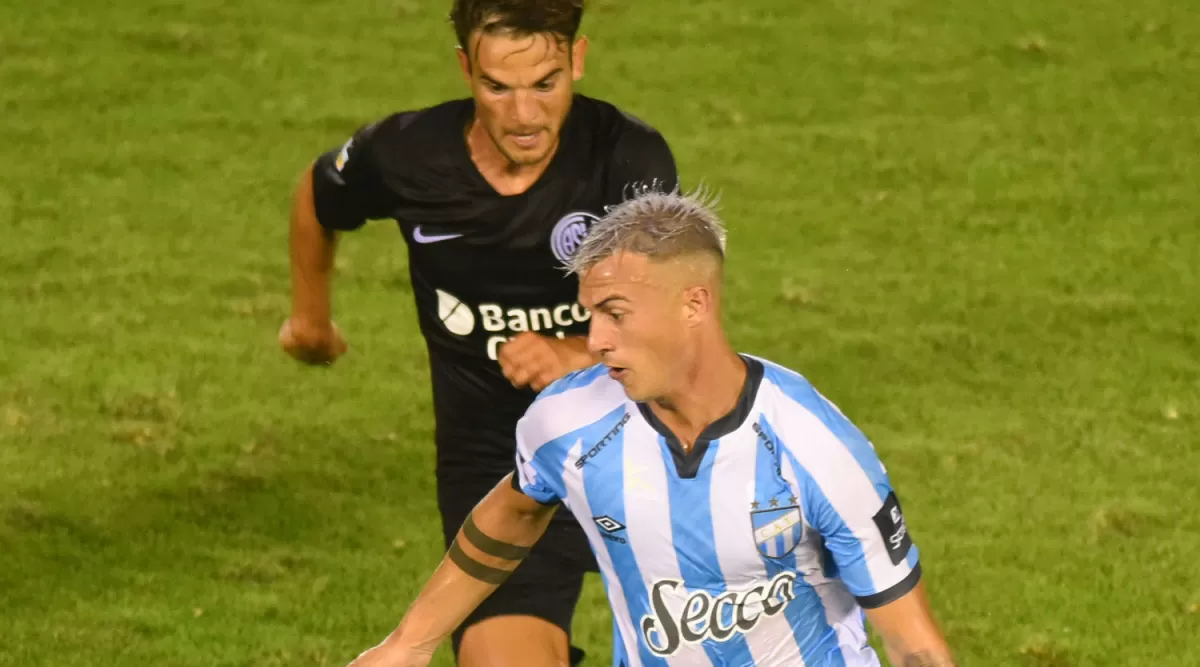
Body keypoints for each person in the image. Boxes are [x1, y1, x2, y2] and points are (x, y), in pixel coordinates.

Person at [341, 189, 957, 667]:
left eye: (615, 315)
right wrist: (409, 643)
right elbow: (515, 511)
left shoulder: (815, 446)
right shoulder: (566, 424)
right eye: (590, 315)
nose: (596, 341)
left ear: (694, 304)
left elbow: (913, 644)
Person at [278, 1, 679, 665]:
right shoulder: (409, 156)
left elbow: (671, 316)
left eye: (545, 83)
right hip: (498, 455)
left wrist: (576, 352)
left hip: (638, 440)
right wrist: (310, 318)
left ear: (577, 61)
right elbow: (317, 198)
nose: (524, 116)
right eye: (498, 86)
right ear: (467, 70)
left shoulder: (627, 159)